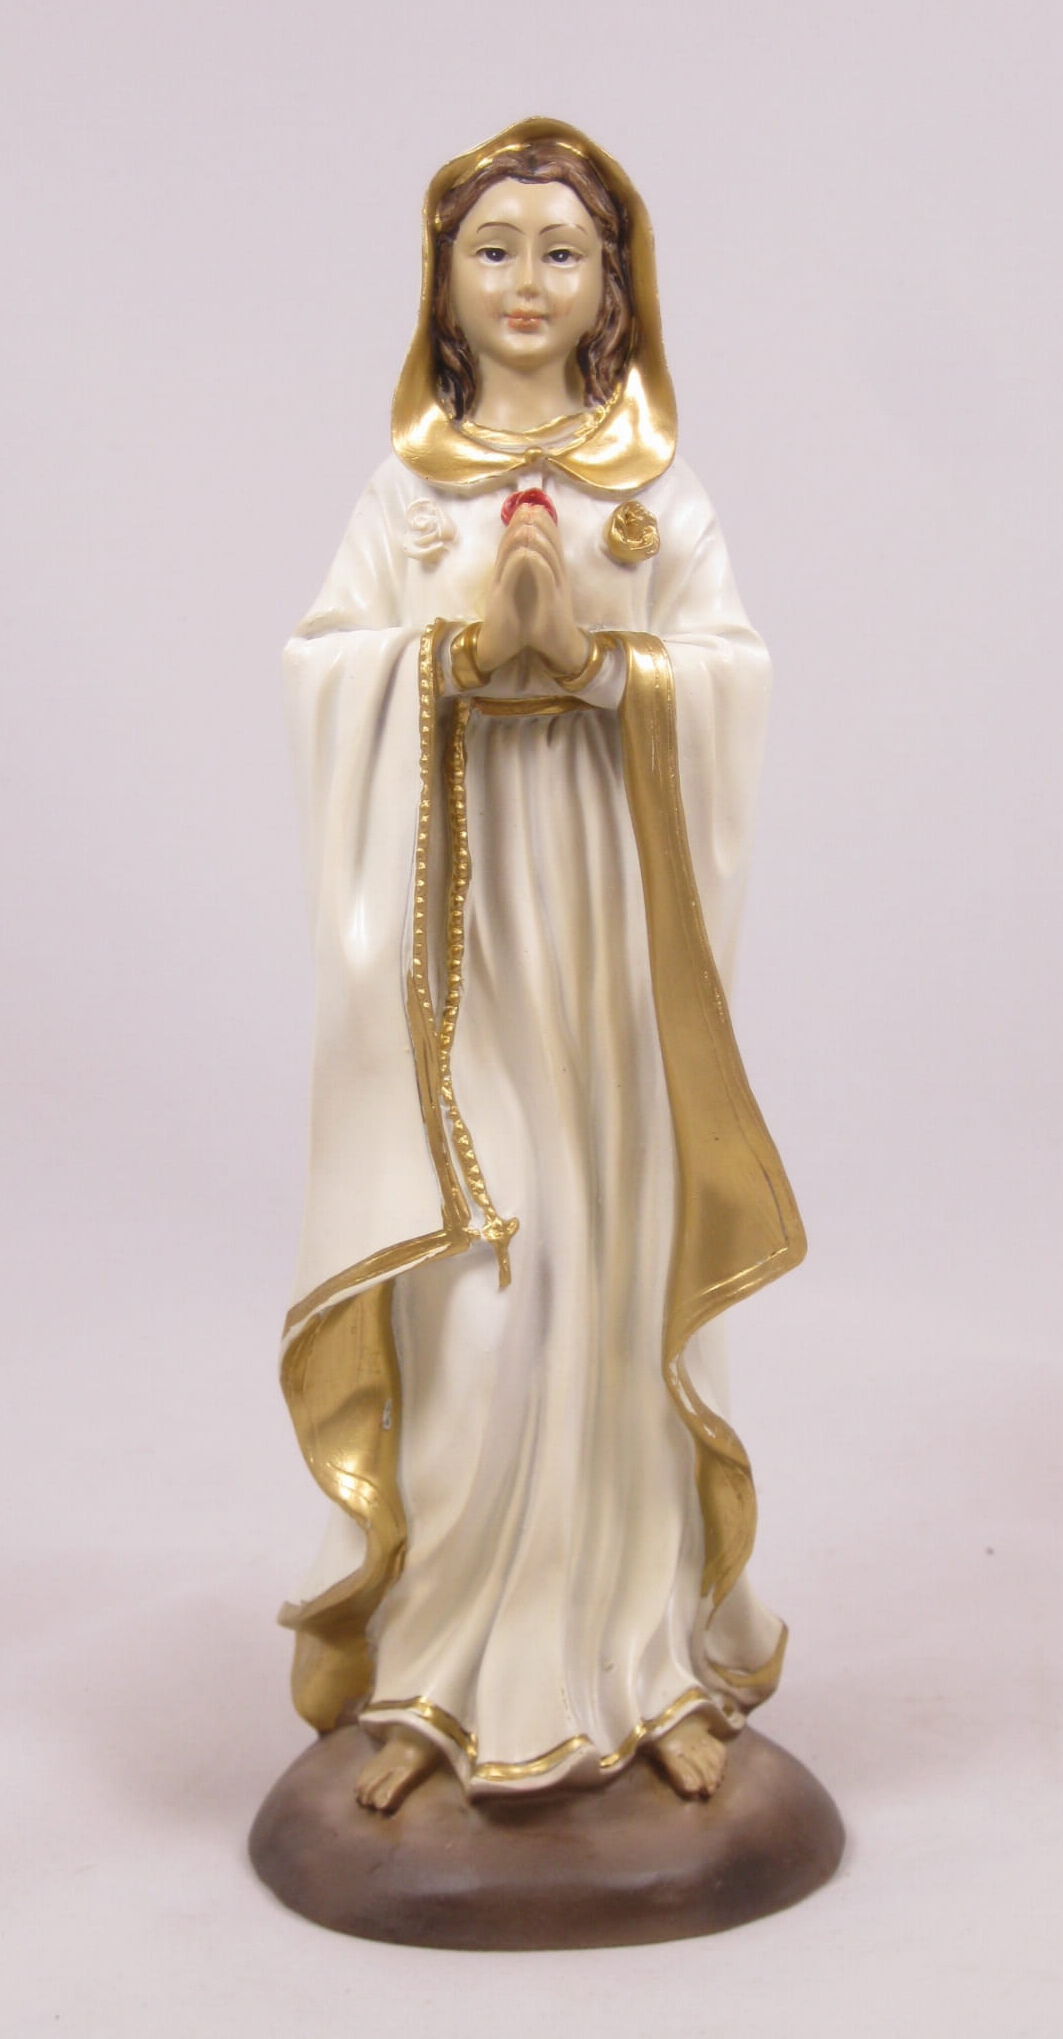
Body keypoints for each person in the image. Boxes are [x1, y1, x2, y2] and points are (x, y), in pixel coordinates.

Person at [278, 119, 806, 1814]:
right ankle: (435, 1674)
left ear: (614, 287)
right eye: (491, 249)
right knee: (479, 1300)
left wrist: (593, 666)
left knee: (611, 1278)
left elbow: (731, 675)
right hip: (460, 948)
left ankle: (642, 1667)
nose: (525, 280)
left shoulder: (657, 490)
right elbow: (323, 668)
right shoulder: (407, 493)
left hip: (610, 947)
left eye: (561, 252)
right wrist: (448, 659)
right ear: (441, 283)